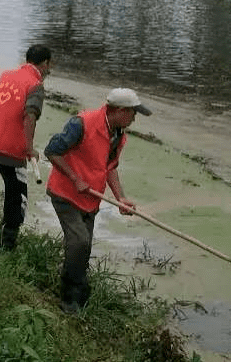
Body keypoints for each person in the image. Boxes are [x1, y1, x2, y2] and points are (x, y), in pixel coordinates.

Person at [44, 87, 151, 314]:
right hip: (66, 194)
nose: (135, 118)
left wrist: (120, 197)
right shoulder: (82, 124)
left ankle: (80, 291)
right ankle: (68, 299)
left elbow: (110, 168)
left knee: (83, 248)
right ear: (120, 110)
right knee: (79, 241)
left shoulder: (118, 135)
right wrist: (75, 178)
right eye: (133, 113)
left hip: (91, 199)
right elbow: (52, 151)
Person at [0, 45, 53, 250]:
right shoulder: (35, 85)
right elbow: (30, 116)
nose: (49, 70)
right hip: (11, 150)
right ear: (44, 64)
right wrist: (29, 148)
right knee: (16, 195)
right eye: (49, 65)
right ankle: (8, 244)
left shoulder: (6, 75)